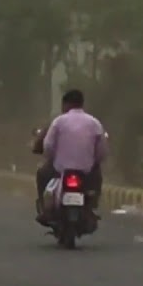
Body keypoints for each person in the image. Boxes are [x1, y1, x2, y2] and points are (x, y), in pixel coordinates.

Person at [35, 89, 108, 227]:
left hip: (60, 168)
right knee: (97, 178)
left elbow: (48, 145)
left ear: (65, 104)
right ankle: (92, 205)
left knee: (41, 174)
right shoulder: (94, 123)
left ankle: (44, 208)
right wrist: (94, 161)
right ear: (82, 104)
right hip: (86, 169)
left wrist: (51, 157)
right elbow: (102, 151)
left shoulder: (59, 121)